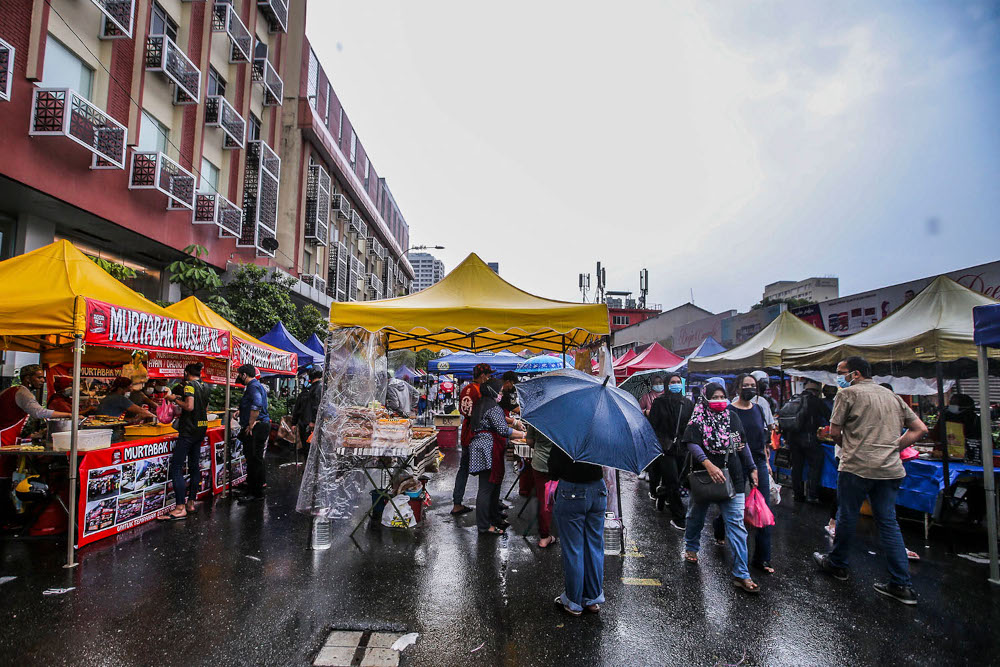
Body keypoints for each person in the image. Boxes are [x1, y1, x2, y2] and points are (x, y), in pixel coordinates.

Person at [813, 356, 928, 605]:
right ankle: (901, 584)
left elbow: (834, 432)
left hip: (857, 468)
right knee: (888, 522)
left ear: (855, 374)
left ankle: (837, 563)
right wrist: (894, 448)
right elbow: (920, 428)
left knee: (847, 515)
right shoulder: (892, 396)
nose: (838, 376)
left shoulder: (847, 395)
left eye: (840, 372)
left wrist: (852, 448)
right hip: (890, 470)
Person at [682, 382, 760, 594]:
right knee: (695, 515)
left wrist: (752, 468)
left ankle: (741, 574)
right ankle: (691, 546)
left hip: (732, 478)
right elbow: (691, 443)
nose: (718, 400)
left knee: (736, 526)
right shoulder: (698, 419)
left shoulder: (732, 418)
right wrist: (708, 464)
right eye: (714, 396)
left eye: (721, 396)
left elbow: (741, 445)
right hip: (704, 477)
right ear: (706, 399)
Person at [549, 443, 607, 616]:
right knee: (594, 546)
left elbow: (553, 468)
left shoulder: (566, 433)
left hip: (572, 490)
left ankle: (574, 601)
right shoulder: (601, 431)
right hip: (598, 488)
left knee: (574, 548)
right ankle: (593, 598)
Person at [725, 373, 775, 574]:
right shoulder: (729, 411)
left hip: (759, 462)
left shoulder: (759, 409)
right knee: (732, 505)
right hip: (735, 462)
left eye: (752, 385)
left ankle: (762, 558)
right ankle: (720, 527)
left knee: (763, 508)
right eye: (745, 385)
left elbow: (763, 437)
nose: (749, 389)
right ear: (737, 388)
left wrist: (766, 461)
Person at [468, 379, 525, 535]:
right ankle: (484, 526)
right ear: (492, 391)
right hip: (488, 448)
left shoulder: (482, 403)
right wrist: (523, 434)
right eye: (499, 391)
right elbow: (502, 429)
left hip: (481, 445)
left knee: (489, 487)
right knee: (486, 488)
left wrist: (513, 422)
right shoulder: (492, 407)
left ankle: (491, 518)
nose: (501, 394)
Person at [158, 363, 209, 521]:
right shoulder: (205, 386)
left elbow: (189, 406)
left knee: (176, 467)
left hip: (188, 430)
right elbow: (204, 407)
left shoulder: (189, 386)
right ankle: (191, 503)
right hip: (201, 428)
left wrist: (174, 400)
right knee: (194, 465)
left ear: (186, 373)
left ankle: (180, 508)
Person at [647, 372, 693, 527]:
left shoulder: (686, 403)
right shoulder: (659, 403)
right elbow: (653, 426)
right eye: (672, 382)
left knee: (679, 480)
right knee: (672, 480)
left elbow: (690, 425)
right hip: (665, 448)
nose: (675, 384)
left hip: (682, 448)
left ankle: (662, 493)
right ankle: (679, 517)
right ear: (667, 385)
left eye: (677, 382)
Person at [451, 363, 492, 515]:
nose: (489, 378)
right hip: (477, 434)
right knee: (485, 471)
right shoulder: (480, 390)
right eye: (488, 375)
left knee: (463, 469)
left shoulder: (465, 389)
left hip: (467, 433)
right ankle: (487, 507)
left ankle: (457, 503)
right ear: (482, 376)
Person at [783, 379, 831, 503]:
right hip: (809, 439)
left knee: (797, 467)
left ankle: (797, 494)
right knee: (815, 466)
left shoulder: (794, 399)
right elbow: (830, 416)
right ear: (816, 391)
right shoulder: (816, 401)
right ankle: (812, 494)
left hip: (793, 440)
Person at [234, 364, 270, 503]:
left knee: (254, 459)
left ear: (244, 375)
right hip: (260, 425)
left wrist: (250, 423)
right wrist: (241, 411)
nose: (239, 377)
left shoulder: (253, 386)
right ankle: (255, 486)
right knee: (255, 458)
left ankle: (255, 493)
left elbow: (257, 404)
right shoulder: (256, 385)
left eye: (240, 375)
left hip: (257, 426)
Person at [0, 365, 72, 432]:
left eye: (43, 378)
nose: (43, 381)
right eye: (39, 377)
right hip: (3, 435)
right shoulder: (23, 393)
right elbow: (39, 412)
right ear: (27, 378)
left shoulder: (12, 390)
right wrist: (69, 415)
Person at [526, 422, 556, 548]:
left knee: (543, 500)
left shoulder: (537, 416)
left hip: (540, 463)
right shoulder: (565, 415)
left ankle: (544, 536)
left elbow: (529, 441)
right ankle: (550, 534)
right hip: (559, 464)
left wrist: (540, 445)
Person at [293, 370, 324, 454]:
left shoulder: (317, 388)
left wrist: (313, 421)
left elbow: (316, 406)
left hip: (309, 423)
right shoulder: (313, 388)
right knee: (308, 448)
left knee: (309, 448)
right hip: (307, 422)